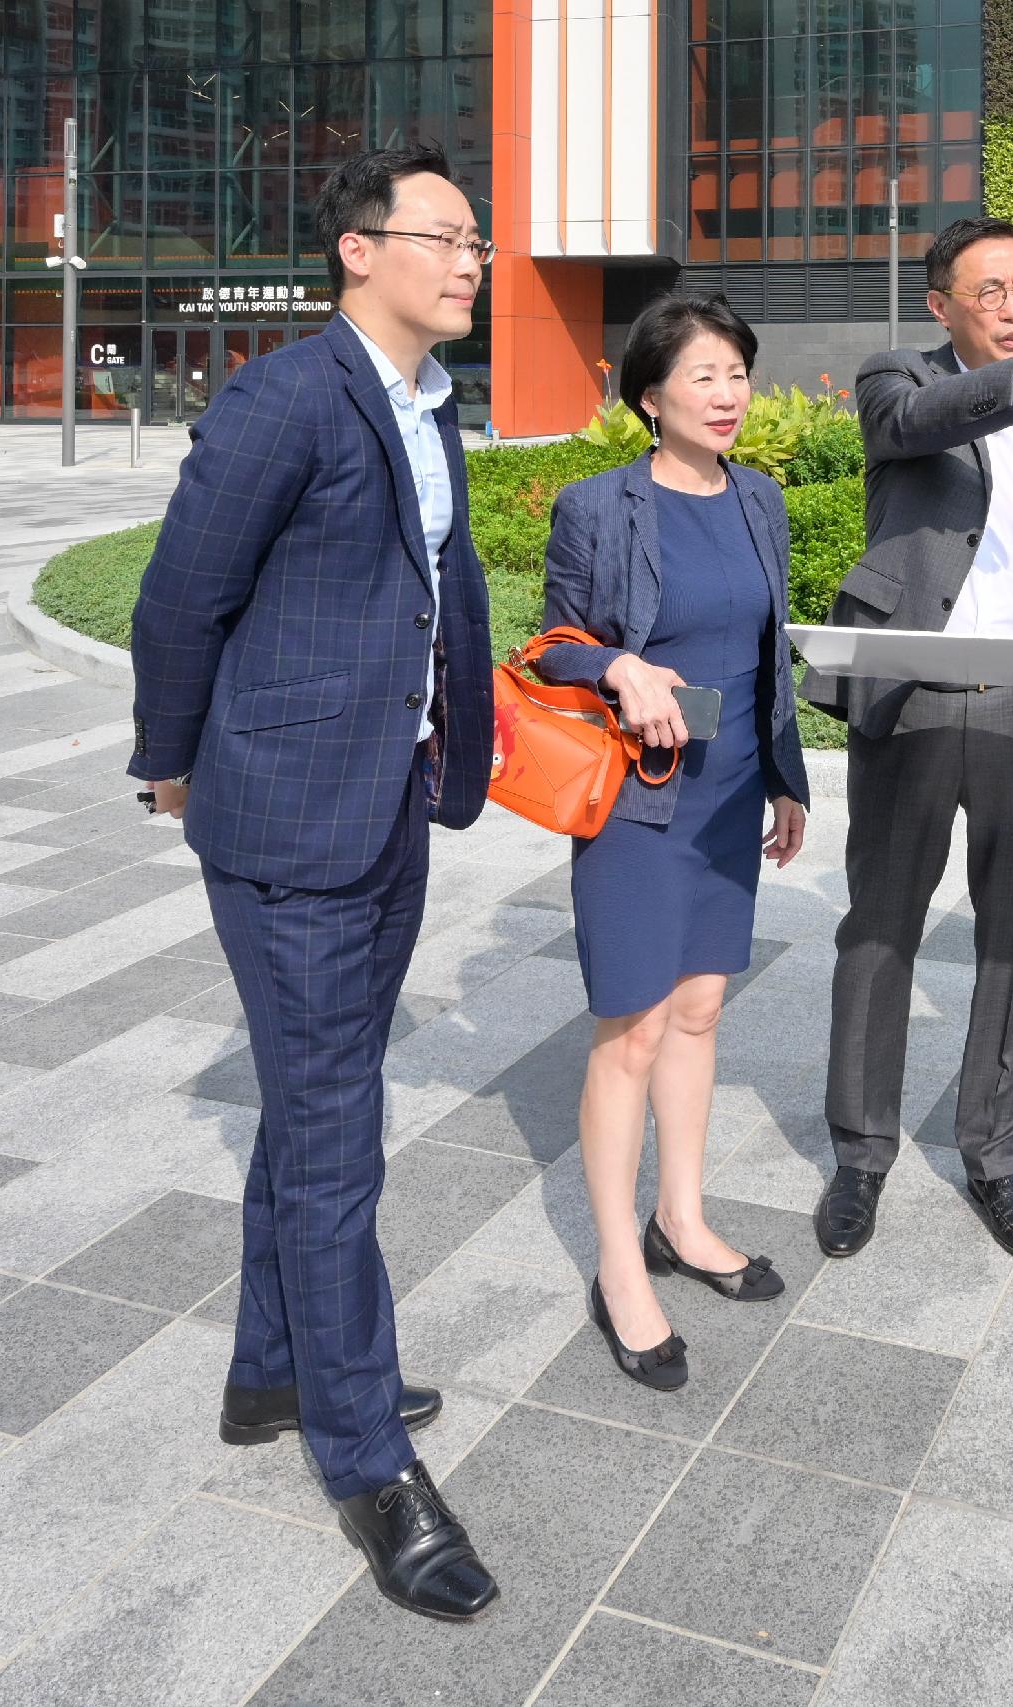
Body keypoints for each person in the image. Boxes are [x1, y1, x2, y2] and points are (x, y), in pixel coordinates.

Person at [127, 141, 502, 1621]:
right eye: (445, 236)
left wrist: (458, 738)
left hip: (389, 800)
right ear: (360, 250)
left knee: (310, 1105)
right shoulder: (289, 393)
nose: (469, 260)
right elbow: (181, 590)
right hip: (286, 821)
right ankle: (370, 1463)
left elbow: (432, 583)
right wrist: (171, 756)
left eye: (478, 241)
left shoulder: (427, 402)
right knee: (340, 1137)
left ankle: (271, 1369)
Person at [806, 217, 1013, 1264]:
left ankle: (995, 1157)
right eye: (987, 290)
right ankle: (860, 1153)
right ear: (940, 303)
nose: (1011, 304)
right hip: (915, 696)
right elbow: (916, 424)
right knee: (880, 928)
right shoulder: (893, 379)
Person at [535, 292, 814, 1391]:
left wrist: (787, 783)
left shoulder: (761, 500)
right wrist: (619, 664)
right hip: (638, 800)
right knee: (633, 1030)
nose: (728, 392)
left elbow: (766, 656)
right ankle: (618, 1267)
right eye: (702, 375)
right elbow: (555, 640)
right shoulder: (598, 506)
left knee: (699, 1010)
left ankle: (682, 1221)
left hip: (731, 792)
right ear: (650, 397)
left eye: (737, 372)